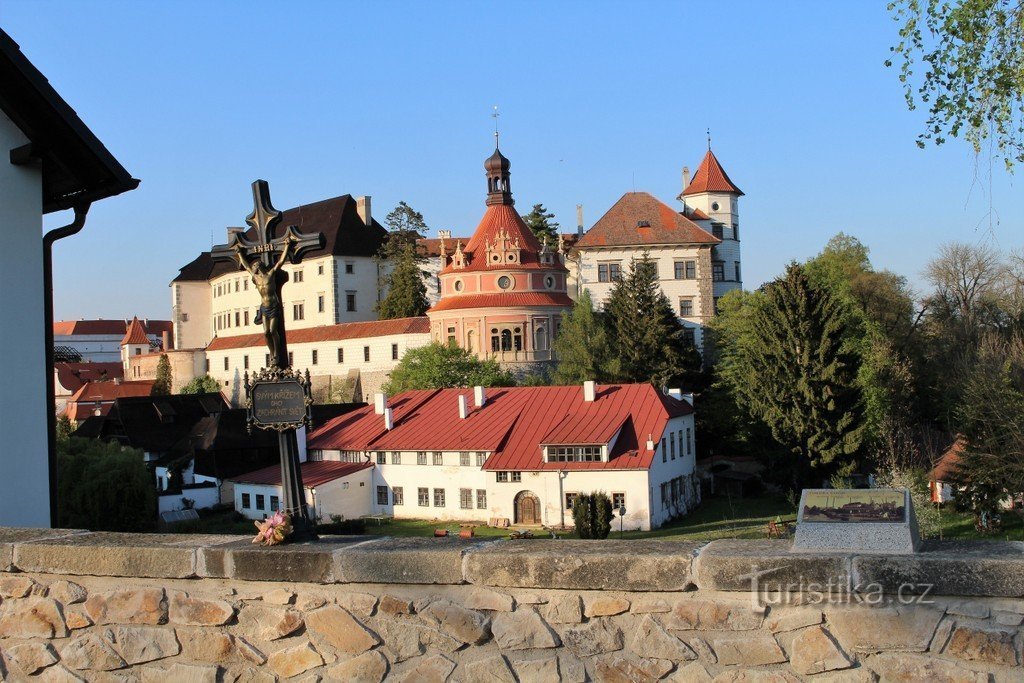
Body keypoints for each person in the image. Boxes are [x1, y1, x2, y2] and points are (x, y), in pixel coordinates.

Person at [233, 234, 295, 367]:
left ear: (260, 265)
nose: (254, 264)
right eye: (254, 264)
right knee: (266, 333)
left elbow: (280, 262)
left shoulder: (270, 274)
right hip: (264, 308)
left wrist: (286, 246)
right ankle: (272, 354)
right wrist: (239, 254)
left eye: (256, 263)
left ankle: (277, 354)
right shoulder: (255, 277)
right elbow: (245, 265)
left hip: (273, 305)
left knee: (273, 331)